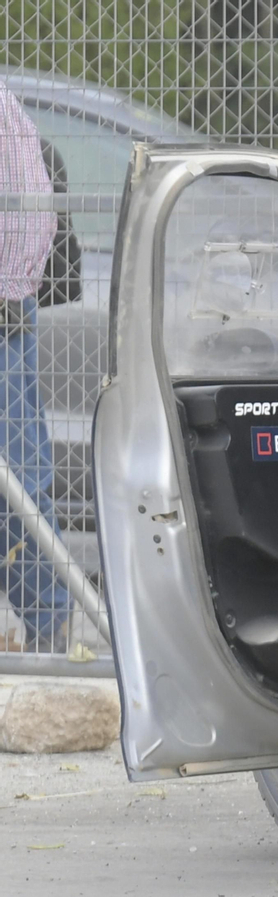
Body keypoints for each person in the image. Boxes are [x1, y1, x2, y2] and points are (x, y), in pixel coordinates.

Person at [0, 83, 74, 653]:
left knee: (22, 482)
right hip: (12, 295)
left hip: (10, 299)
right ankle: (49, 628)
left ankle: (50, 631)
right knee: (22, 480)